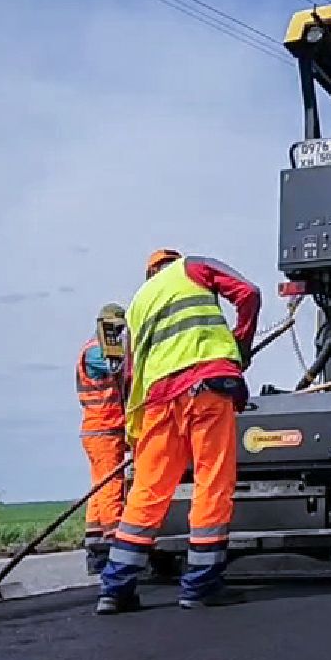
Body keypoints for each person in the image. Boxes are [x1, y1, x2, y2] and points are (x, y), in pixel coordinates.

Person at [98, 248, 261, 614]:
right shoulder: (193, 267)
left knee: (147, 492)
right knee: (212, 483)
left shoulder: (138, 303)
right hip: (206, 387)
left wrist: (133, 431)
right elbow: (249, 293)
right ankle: (201, 586)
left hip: (156, 403)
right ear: (173, 262)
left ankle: (115, 589)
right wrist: (240, 348)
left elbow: (129, 373)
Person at [76, 313, 130, 578]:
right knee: (112, 486)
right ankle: (115, 544)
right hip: (103, 429)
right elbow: (118, 368)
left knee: (99, 488)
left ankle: (96, 547)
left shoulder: (96, 350)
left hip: (101, 429)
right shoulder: (96, 353)